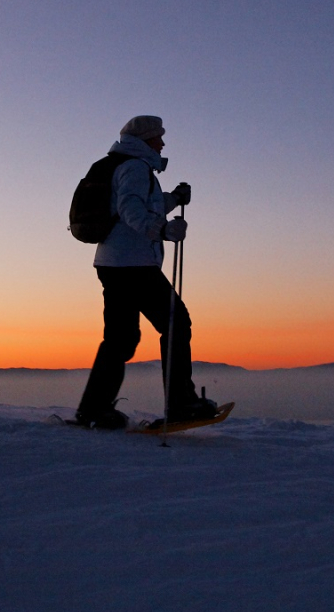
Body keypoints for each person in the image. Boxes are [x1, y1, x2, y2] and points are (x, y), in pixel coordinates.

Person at [74, 115, 218, 430]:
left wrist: (174, 200)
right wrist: (163, 230)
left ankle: (93, 409)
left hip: (112, 263)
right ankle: (181, 403)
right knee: (176, 322)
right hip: (134, 263)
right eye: (158, 137)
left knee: (120, 338)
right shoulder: (135, 168)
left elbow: (139, 205)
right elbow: (131, 210)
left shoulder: (122, 165)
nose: (163, 143)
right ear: (146, 140)